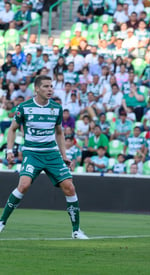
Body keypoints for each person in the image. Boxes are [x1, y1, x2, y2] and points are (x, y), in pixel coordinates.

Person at [0, 76, 88, 239]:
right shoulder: (24, 107)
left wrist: (64, 156)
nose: (50, 90)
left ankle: (76, 231)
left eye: (51, 87)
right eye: (46, 86)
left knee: (70, 187)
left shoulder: (56, 108)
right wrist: (9, 151)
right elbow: (12, 129)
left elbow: (59, 133)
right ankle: (2, 222)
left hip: (52, 154)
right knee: (24, 185)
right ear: (37, 89)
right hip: (32, 153)